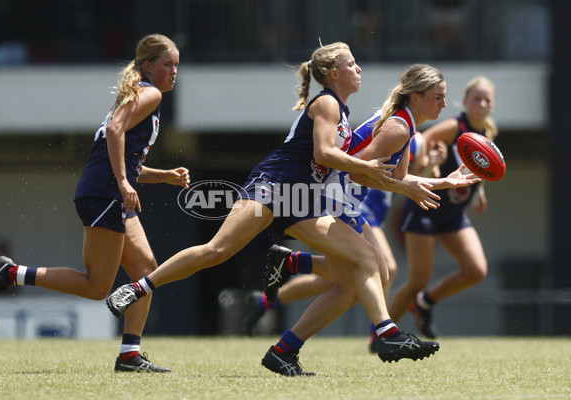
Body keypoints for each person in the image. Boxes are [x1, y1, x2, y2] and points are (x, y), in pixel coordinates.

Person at [105, 46, 449, 376]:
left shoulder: (342, 110)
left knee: (356, 275)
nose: (358, 69)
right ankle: (139, 288)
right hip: (274, 186)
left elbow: (346, 166)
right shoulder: (327, 103)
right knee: (218, 250)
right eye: (351, 64)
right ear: (332, 74)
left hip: (302, 199)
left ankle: (286, 351)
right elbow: (324, 154)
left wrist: (426, 181)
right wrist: (371, 170)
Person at [0, 34, 189, 373]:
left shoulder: (144, 95)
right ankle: (11, 272)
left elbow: (120, 154)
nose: (174, 71)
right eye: (168, 64)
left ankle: (130, 355)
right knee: (98, 286)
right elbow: (116, 133)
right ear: (148, 66)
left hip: (104, 190)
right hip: (107, 193)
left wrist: (161, 176)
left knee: (146, 271)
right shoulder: (149, 94)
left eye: (177, 65)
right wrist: (122, 183)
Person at [257, 65, 480, 363]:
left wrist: (443, 182)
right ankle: (387, 334)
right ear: (415, 97)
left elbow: (400, 178)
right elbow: (359, 172)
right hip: (334, 199)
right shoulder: (399, 128)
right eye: (437, 97)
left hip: (347, 201)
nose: (443, 104)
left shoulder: (406, 126)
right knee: (368, 270)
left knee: (364, 281)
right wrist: (407, 191)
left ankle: (284, 343)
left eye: (444, 97)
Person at [242, 131, 445, 343]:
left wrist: (432, 165)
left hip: (374, 212)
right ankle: (380, 334)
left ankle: (273, 289)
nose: (441, 104)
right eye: (436, 97)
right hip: (360, 208)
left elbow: (407, 183)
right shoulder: (389, 130)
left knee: (333, 283)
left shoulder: (417, 141)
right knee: (386, 267)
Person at [389, 75, 498, 338]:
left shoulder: (488, 133)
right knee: (417, 280)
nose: (481, 104)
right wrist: (431, 164)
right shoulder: (453, 127)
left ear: (492, 105)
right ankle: (381, 332)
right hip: (425, 206)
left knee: (476, 270)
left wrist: (479, 191)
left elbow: (479, 167)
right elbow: (421, 140)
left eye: (487, 100)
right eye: (477, 99)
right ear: (465, 102)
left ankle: (424, 303)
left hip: (452, 213)